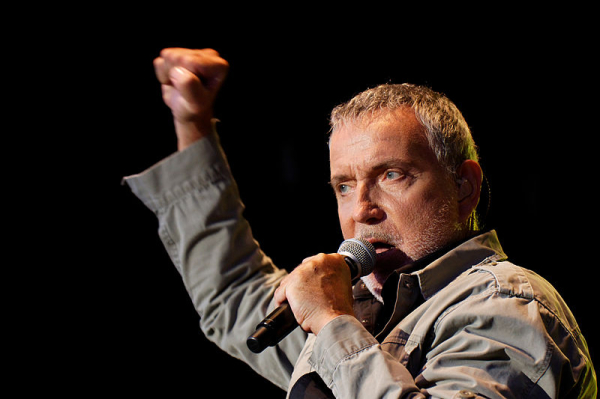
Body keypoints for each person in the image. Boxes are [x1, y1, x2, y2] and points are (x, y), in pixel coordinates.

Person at [123, 48, 596, 398]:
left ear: (464, 186)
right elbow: (231, 294)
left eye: (392, 175)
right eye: (344, 186)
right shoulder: (365, 314)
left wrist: (330, 323)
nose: (361, 210)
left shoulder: (506, 301)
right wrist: (193, 121)